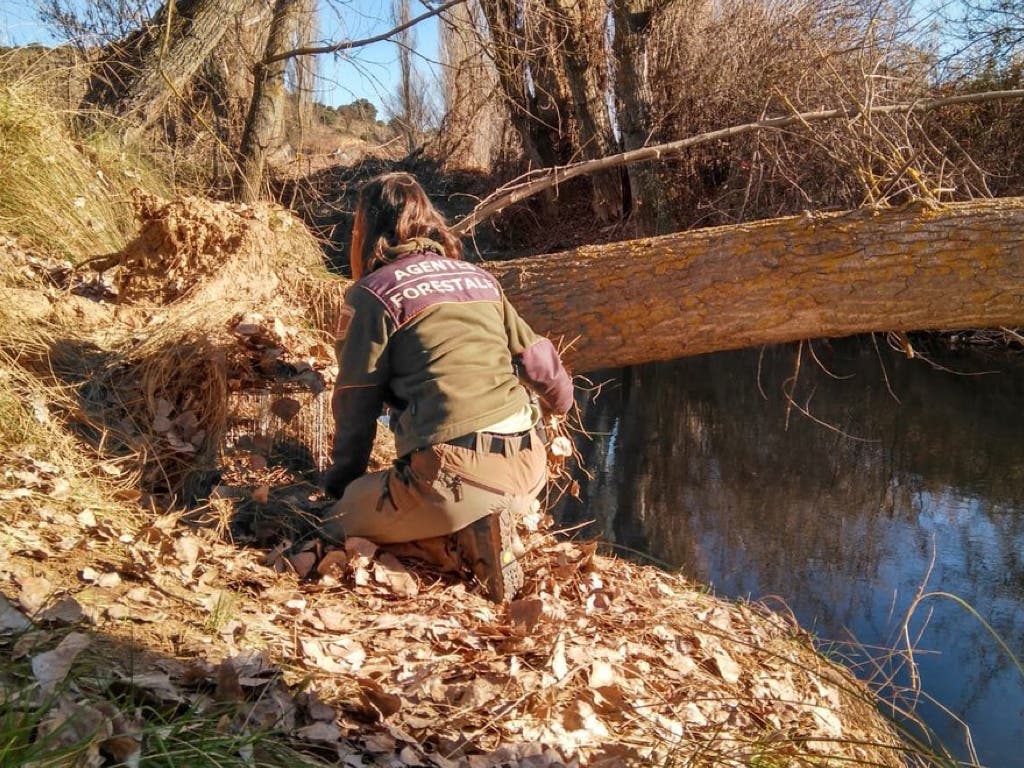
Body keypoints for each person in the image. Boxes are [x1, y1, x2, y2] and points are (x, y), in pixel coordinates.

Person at [321, 172, 574, 601]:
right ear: (429, 221)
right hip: (530, 468)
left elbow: (355, 409)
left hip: (454, 478)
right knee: (446, 497)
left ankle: (460, 543)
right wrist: (562, 404)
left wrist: (341, 487)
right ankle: (486, 523)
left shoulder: (373, 294)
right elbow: (542, 366)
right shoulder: (479, 279)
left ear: (367, 231)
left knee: (336, 520)